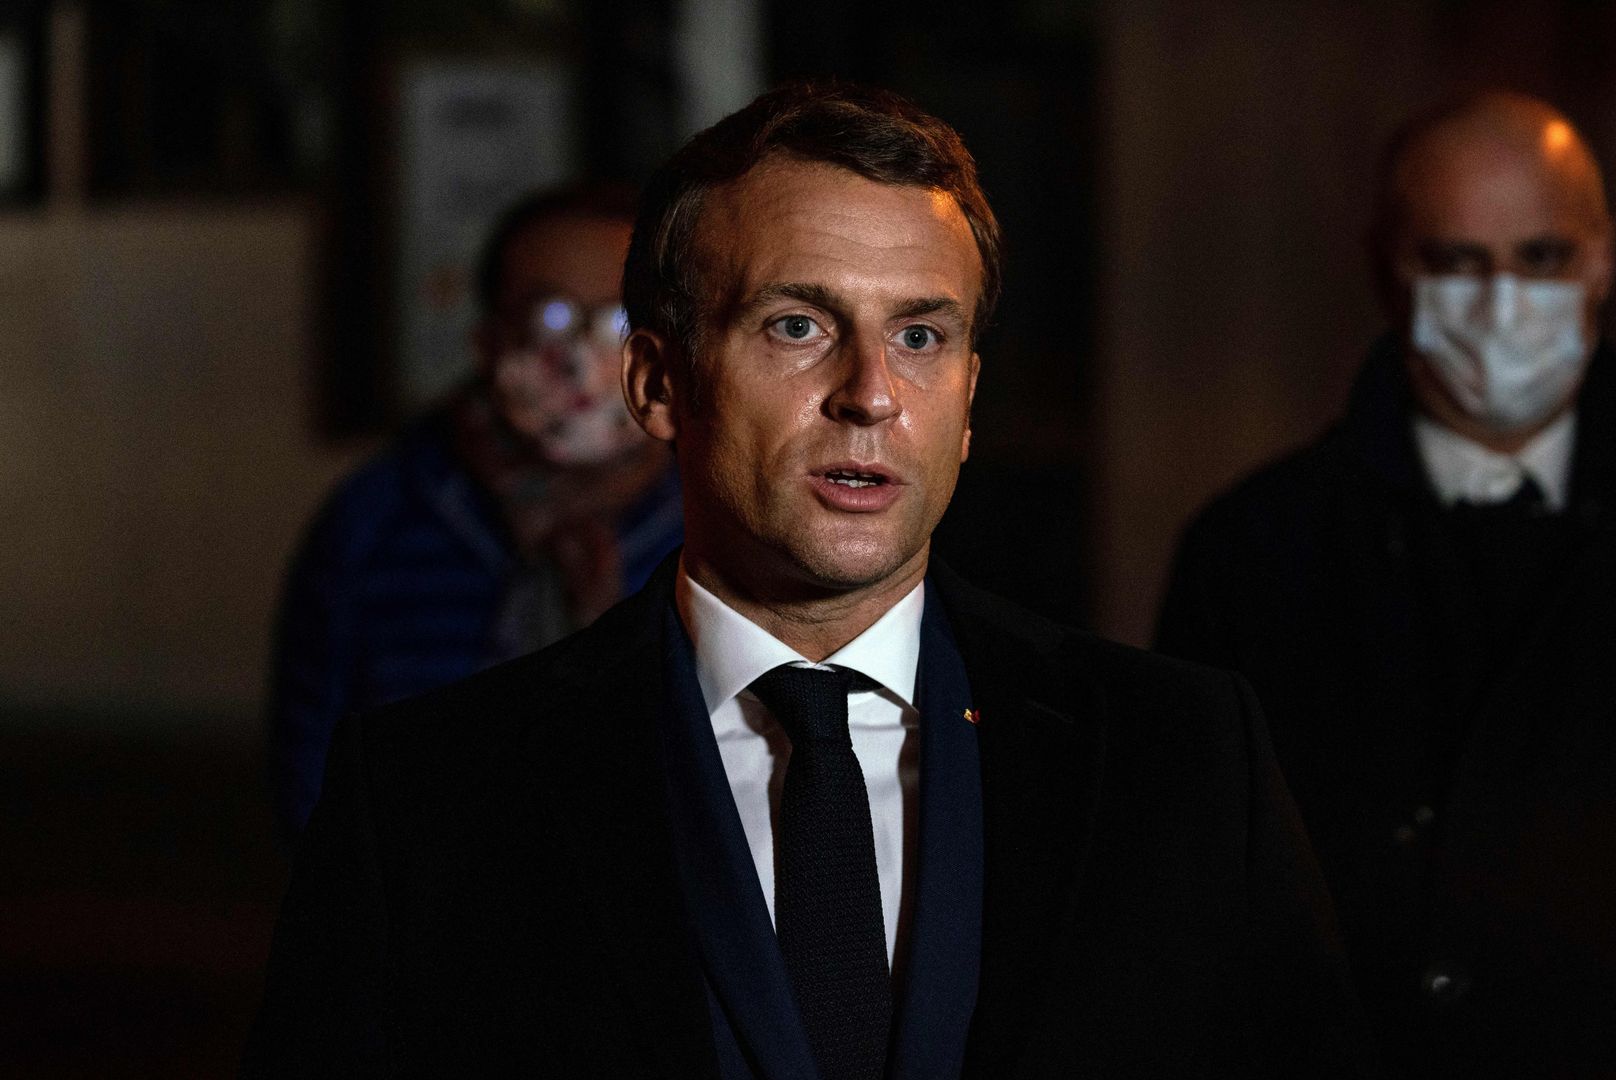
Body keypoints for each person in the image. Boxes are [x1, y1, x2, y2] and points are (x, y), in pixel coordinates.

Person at [244, 83, 1366, 1079]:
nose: (870, 393)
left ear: (969, 399)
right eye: (797, 325)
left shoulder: (1181, 760)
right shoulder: (429, 800)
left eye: (920, 337)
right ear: (658, 382)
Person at [1158, 91, 1616, 1076]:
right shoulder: (1252, 550)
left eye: (1541, 257)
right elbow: (1186, 923)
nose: (1502, 305)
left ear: (1603, 257)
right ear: (1387, 264)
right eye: (1457, 262)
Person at [266, 183, 682, 841]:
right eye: (547, 320)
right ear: (487, 341)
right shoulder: (379, 518)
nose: (581, 362)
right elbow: (309, 763)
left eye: (619, 322)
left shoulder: (726, 527)